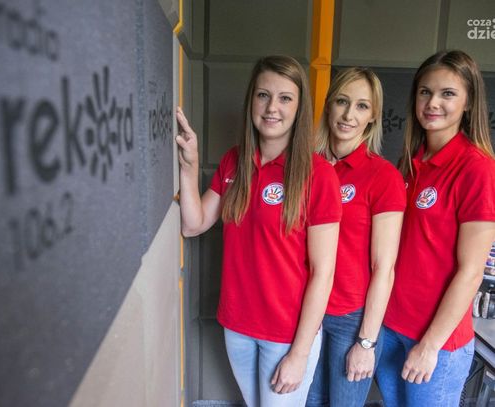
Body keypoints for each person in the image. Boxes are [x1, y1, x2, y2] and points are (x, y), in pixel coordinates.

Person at [175, 55, 342, 406]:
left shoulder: (319, 175)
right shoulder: (234, 161)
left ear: (299, 108)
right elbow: (193, 224)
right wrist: (190, 166)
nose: (271, 108)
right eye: (263, 95)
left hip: (286, 334)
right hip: (237, 326)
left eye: (285, 98)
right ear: (251, 99)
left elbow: (323, 273)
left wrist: (299, 353)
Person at [376, 50, 495, 406]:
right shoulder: (410, 164)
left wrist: (429, 345)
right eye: (425, 92)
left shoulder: (477, 168)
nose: (432, 103)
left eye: (448, 94)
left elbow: (471, 272)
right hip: (391, 328)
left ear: (468, 102)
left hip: (436, 342)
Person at [305, 67, 406, 407]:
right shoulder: (306, 168)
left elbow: (384, 268)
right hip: (303, 310)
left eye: (362, 106)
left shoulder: (383, 176)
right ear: (328, 105)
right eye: (342, 101)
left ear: (373, 115)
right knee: (307, 402)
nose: (349, 115)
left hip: (349, 318)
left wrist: (366, 342)